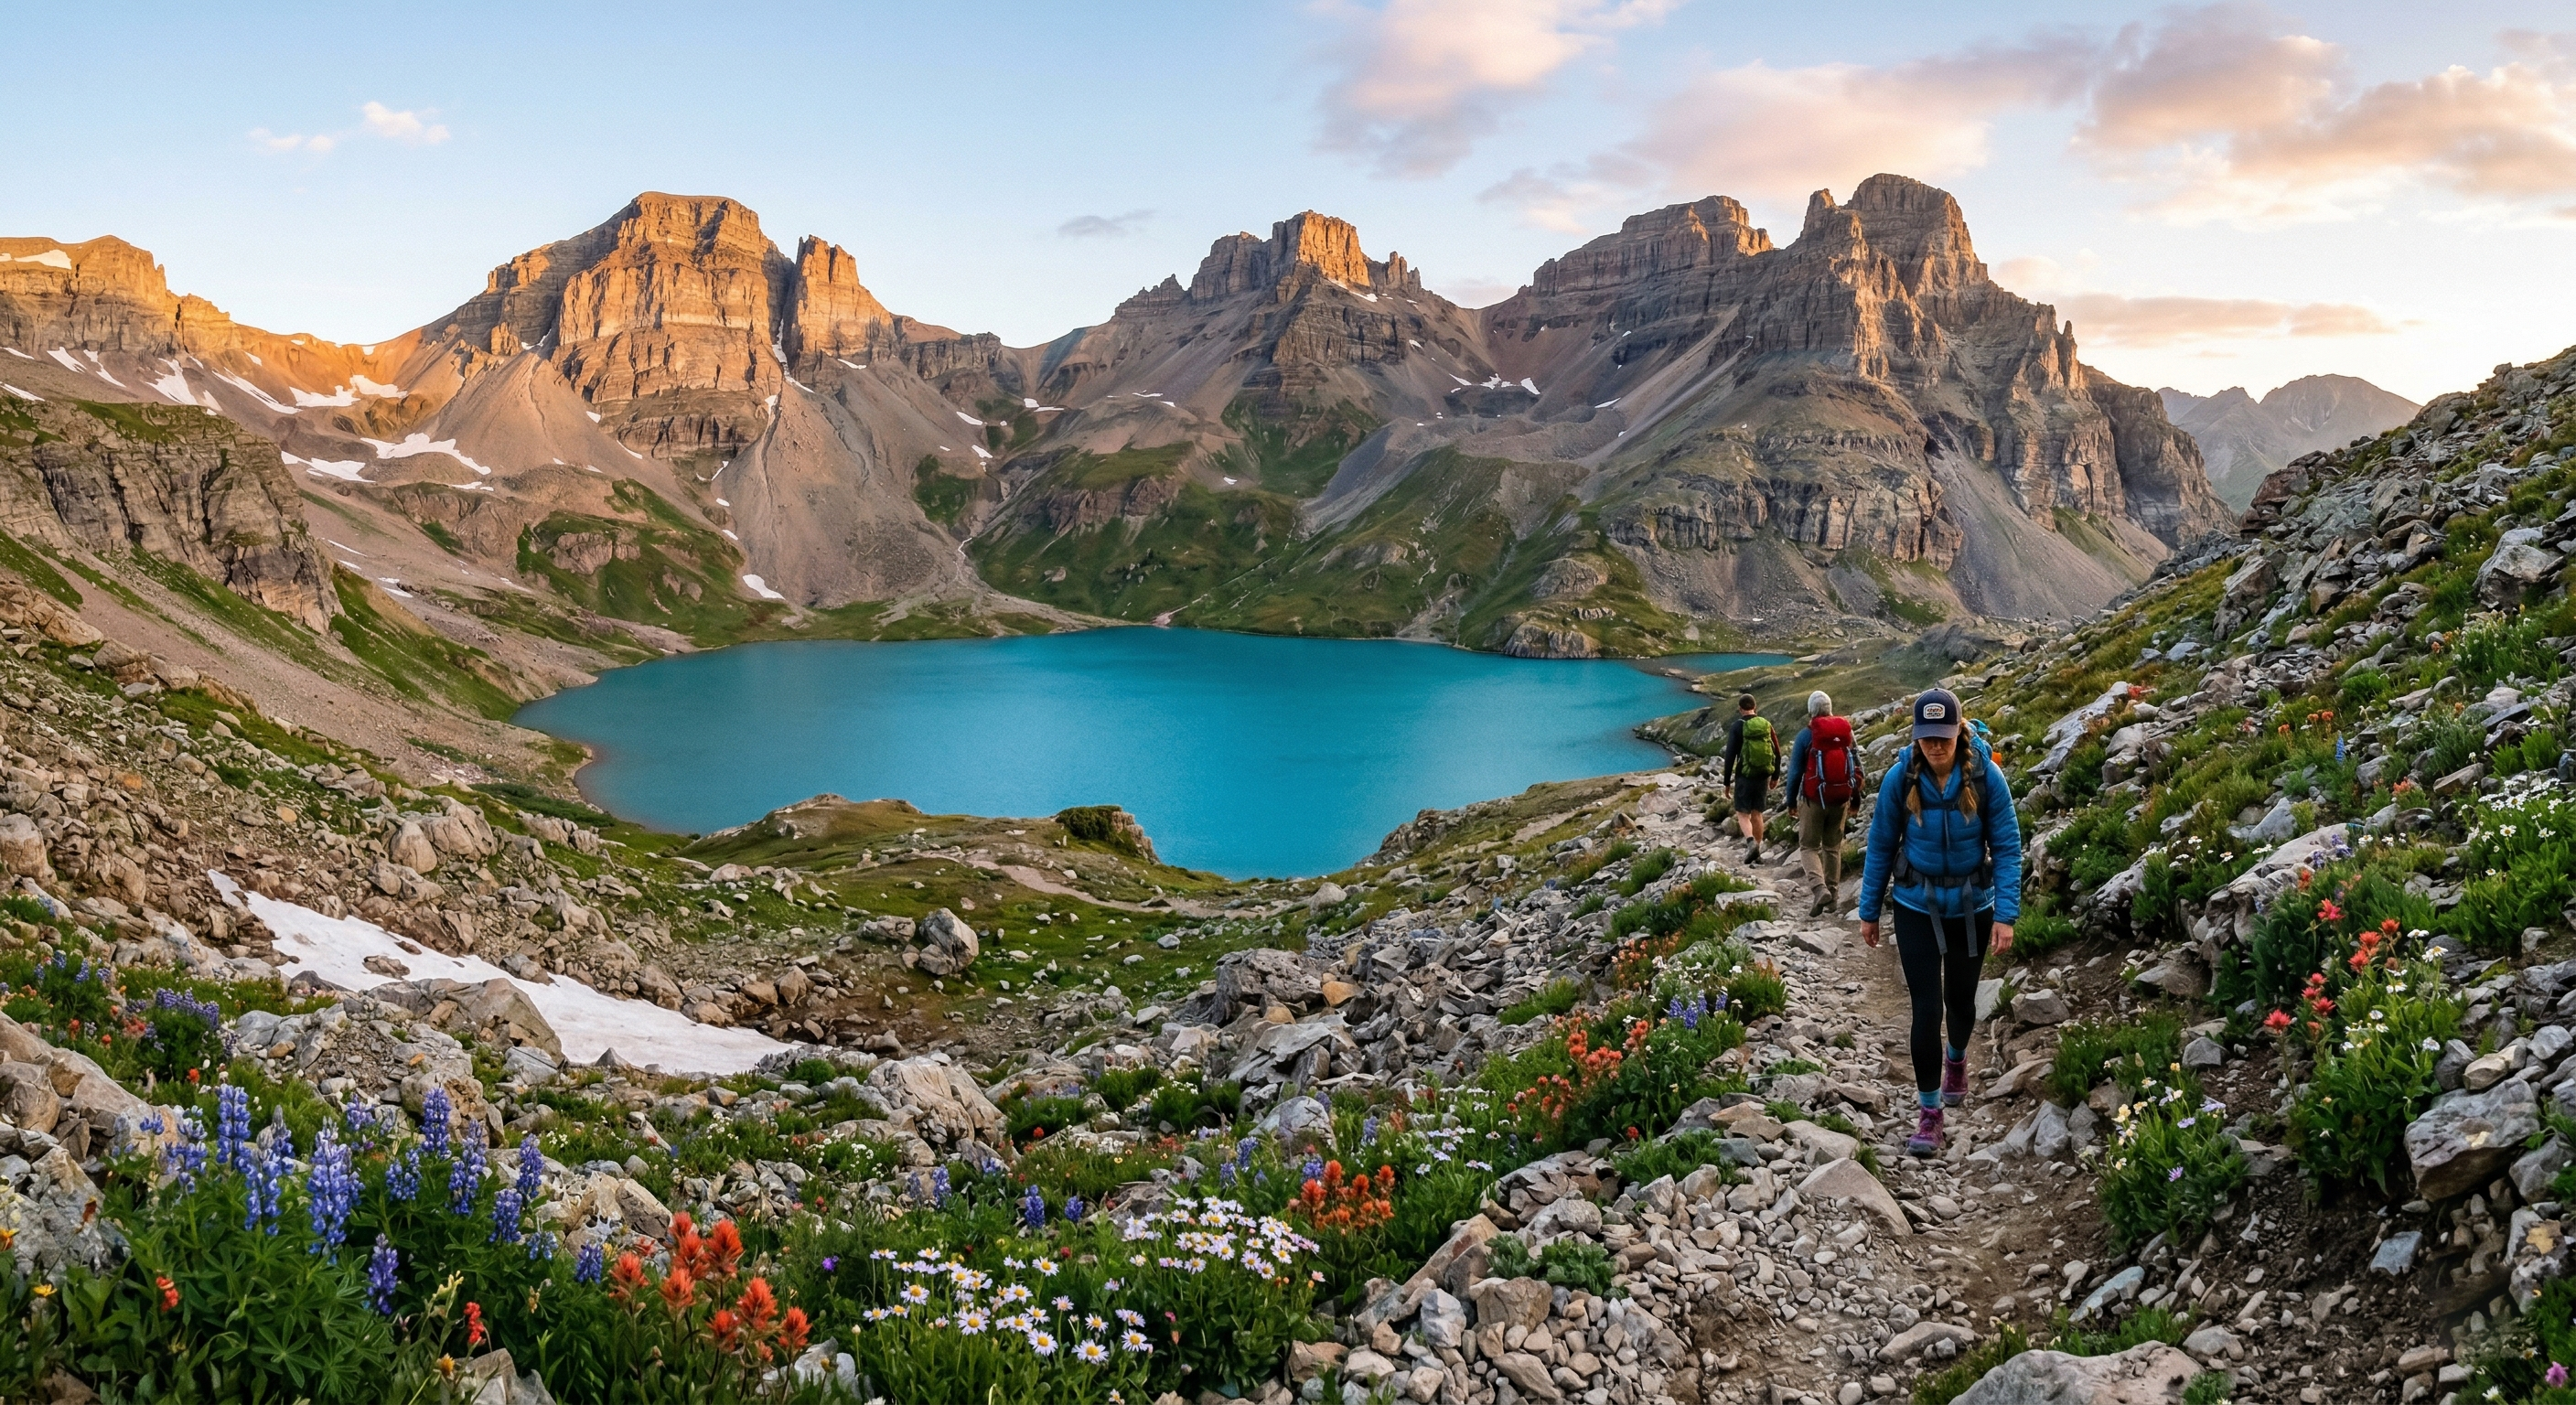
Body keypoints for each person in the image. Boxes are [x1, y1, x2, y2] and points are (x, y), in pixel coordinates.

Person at [1855, 688, 2023, 1157]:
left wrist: (2006, 915)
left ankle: (1957, 1059)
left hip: (1973, 906)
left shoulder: (1986, 776)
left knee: (1962, 1003)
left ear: (1958, 732)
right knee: (1927, 1009)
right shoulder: (1899, 778)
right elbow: (1881, 845)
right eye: (1927, 738)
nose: (1936, 747)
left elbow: (2008, 846)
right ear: (1916, 736)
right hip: (1915, 906)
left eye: (1943, 737)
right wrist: (1869, 910)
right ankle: (1930, 1115)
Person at [1784, 691, 1863, 917]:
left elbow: (1795, 772)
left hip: (1812, 800)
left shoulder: (1806, 736)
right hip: (1840, 799)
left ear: (1811, 710)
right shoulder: (1846, 732)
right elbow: (1857, 765)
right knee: (1832, 847)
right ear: (1829, 708)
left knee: (1809, 846)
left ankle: (1819, 889)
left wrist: (1791, 801)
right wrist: (1854, 795)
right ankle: (1834, 897)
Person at [1718, 693, 1778, 864]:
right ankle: (1757, 852)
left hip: (1744, 776)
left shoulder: (1738, 726)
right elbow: (1777, 751)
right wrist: (1775, 775)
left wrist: (1727, 782)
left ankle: (1751, 842)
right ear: (1755, 707)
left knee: (1742, 813)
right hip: (1762, 775)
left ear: (1740, 709)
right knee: (1757, 813)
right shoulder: (1765, 724)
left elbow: (1730, 756)